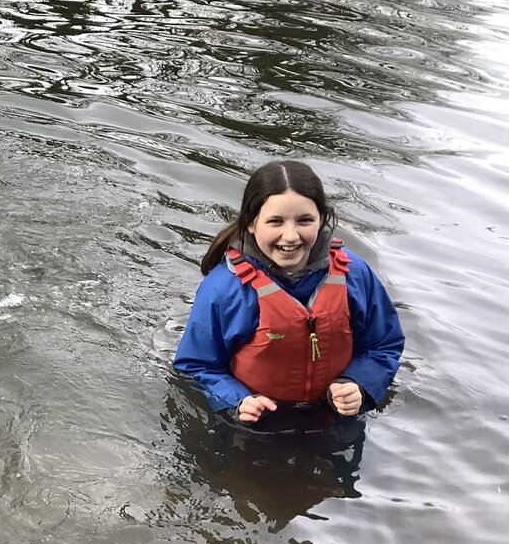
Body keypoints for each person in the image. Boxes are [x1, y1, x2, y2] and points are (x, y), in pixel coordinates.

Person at [172, 161, 404, 426]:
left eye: (305, 220)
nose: (291, 235)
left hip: (334, 421)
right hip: (254, 427)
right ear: (250, 223)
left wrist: (359, 384)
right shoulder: (224, 288)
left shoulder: (355, 274)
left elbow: (383, 345)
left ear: (322, 220)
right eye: (276, 222)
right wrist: (236, 401)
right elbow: (195, 366)